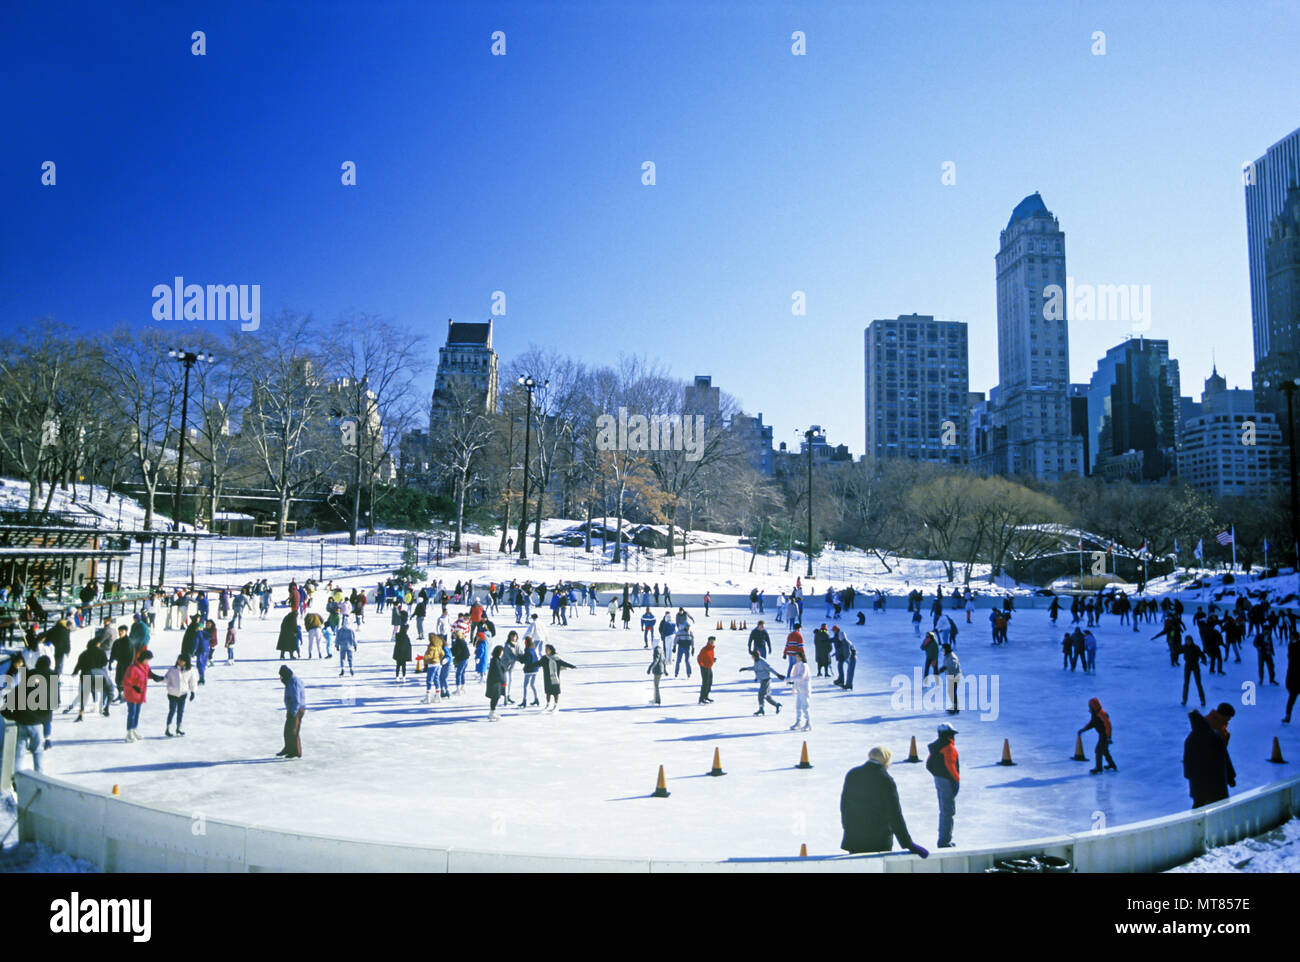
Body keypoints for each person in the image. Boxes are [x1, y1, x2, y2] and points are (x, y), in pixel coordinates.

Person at [839, 747, 929, 858]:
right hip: (878, 839)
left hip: (855, 837)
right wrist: (908, 844)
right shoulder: (885, 779)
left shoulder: (853, 774)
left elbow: (844, 806)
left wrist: (848, 828)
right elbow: (895, 815)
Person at [1183, 709, 1233, 808]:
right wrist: (1231, 777)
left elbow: (1188, 761)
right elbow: (1225, 757)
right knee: (1220, 807)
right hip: (1218, 783)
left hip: (1199, 785)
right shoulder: (1216, 735)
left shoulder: (1191, 740)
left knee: (1199, 809)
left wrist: (1187, 774)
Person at [926, 723, 960, 848]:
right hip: (947, 781)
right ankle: (944, 841)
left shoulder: (936, 747)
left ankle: (943, 838)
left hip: (939, 780)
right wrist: (956, 780)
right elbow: (951, 766)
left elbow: (929, 764)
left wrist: (938, 775)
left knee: (944, 810)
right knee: (948, 811)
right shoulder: (949, 748)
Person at [121, 648, 164, 743]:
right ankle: (129, 733)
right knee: (132, 713)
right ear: (143, 658)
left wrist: (155, 676)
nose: (148, 661)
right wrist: (134, 686)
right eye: (147, 659)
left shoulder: (145, 666)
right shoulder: (132, 668)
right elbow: (125, 681)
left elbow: (148, 673)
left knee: (137, 713)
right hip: (131, 694)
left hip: (140, 694)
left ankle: (134, 729)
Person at [1078, 697, 1116, 773]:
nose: (1089, 707)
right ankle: (1112, 765)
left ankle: (1099, 768)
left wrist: (1109, 737)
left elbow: (1108, 725)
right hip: (1102, 735)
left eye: (1090, 706)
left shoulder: (1101, 714)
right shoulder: (1095, 714)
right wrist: (1084, 729)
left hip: (1105, 736)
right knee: (1104, 751)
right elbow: (1092, 723)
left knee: (1098, 751)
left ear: (1093, 706)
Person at [739, 649, 783, 716]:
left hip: (766, 680)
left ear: (756, 656)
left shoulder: (762, 662)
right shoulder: (756, 661)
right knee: (767, 697)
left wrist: (778, 675)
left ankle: (761, 709)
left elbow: (770, 668)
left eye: (752, 656)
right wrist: (746, 668)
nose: (752, 657)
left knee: (761, 694)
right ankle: (777, 705)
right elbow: (755, 668)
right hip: (762, 680)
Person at [163, 655, 197, 737]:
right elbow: (167, 679)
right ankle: (168, 728)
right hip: (172, 694)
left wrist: (193, 691)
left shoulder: (190, 671)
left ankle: (179, 728)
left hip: (183, 694)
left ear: (186, 662)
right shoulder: (172, 669)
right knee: (172, 710)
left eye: (182, 661)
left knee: (180, 711)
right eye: (179, 660)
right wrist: (160, 679)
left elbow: (193, 681)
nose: (180, 662)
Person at [278, 665, 306, 759]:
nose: (280, 678)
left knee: (293, 731)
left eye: (281, 676)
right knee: (288, 731)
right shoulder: (289, 680)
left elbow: (296, 699)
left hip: (296, 709)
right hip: (292, 709)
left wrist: (293, 712)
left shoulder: (294, 682)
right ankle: (288, 748)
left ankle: (296, 752)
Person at [538, 645, 575, 712]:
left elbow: (564, 663)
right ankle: (547, 705)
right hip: (547, 678)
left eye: (547, 649)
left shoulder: (556, 658)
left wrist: (572, 666)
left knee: (555, 693)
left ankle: (555, 705)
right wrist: (530, 665)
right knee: (548, 692)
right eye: (545, 649)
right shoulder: (544, 658)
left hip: (555, 678)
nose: (546, 651)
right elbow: (538, 663)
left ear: (551, 650)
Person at [1179, 633, 1207, 708]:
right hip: (1187, 666)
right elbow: (1178, 651)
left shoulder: (1196, 647)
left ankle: (1202, 700)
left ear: (1191, 641)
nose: (1188, 642)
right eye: (1186, 641)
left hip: (1195, 666)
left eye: (1189, 641)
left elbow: (1202, 655)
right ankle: (1184, 700)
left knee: (1198, 683)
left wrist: (1204, 660)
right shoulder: (1184, 647)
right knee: (1186, 683)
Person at [788, 650, 811, 731]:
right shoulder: (796, 666)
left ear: (801, 657)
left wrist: (790, 679)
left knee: (805, 707)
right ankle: (798, 722)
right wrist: (794, 687)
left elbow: (801, 677)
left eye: (797, 656)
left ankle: (808, 723)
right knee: (798, 707)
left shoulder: (804, 666)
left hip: (804, 690)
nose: (796, 658)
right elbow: (795, 678)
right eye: (796, 656)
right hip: (799, 690)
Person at [519, 638, 542, 708]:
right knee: (532, 685)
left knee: (525, 686)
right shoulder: (533, 649)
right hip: (535, 669)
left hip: (529, 670)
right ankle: (536, 699)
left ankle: (524, 701)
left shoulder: (527, 650)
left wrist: (521, 658)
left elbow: (526, 660)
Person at [485, 645, 506, 721]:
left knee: (495, 697)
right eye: (501, 651)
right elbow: (498, 672)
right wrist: (503, 681)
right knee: (495, 697)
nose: (502, 653)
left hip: (495, 682)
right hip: (495, 682)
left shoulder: (496, 659)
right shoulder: (495, 660)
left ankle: (492, 712)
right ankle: (492, 712)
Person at [941, 643, 961, 714]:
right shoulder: (947, 655)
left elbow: (954, 666)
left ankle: (955, 708)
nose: (942, 651)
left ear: (946, 649)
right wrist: (943, 669)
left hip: (954, 676)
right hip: (951, 676)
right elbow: (946, 665)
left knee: (952, 691)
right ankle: (955, 707)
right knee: (951, 691)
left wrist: (945, 668)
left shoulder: (952, 657)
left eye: (943, 649)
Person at [697, 636, 717, 704]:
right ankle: (701, 698)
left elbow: (708, 657)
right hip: (704, 668)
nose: (712, 642)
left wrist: (713, 659)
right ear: (708, 641)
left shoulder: (712, 649)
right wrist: (702, 665)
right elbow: (699, 658)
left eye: (713, 641)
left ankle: (706, 696)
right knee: (705, 683)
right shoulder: (704, 649)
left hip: (709, 667)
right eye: (711, 641)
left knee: (710, 682)